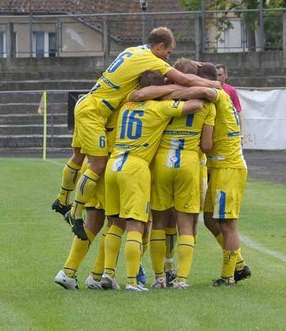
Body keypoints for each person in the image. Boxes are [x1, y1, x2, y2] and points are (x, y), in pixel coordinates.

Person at [52, 26, 221, 241]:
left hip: (88, 104)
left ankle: (62, 199)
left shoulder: (132, 51)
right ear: (159, 46)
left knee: (78, 156)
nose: (167, 59)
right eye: (168, 53)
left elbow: (152, 87)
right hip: (99, 116)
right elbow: (184, 84)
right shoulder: (150, 69)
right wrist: (212, 84)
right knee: (98, 167)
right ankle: (75, 213)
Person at [101, 70, 205, 292]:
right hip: (136, 168)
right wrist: (176, 90)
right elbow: (195, 105)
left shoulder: (127, 105)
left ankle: (108, 273)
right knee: (135, 224)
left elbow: (138, 94)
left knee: (114, 223)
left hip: (114, 163)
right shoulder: (159, 108)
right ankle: (131, 281)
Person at [149, 58, 216, 289]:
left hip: (162, 161)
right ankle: (182, 279)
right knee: (186, 223)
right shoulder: (207, 105)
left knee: (158, 221)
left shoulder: (161, 99)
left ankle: (159, 277)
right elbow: (207, 145)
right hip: (188, 161)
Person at [198, 63, 251, 287]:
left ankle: (228, 277)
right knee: (210, 218)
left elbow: (207, 145)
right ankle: (238, 264)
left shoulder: (217, 94)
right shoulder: (220, 96)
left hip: (228, 167)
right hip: (220, 168)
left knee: (227, 223)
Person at [215, 64, 243, 130]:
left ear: (226, 75)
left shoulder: (231, 90)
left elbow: (238, 112)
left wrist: (240, 132)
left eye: (219, 75)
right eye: (215, 75)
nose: (217, 78)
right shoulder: (208, 90)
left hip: (226, 128)